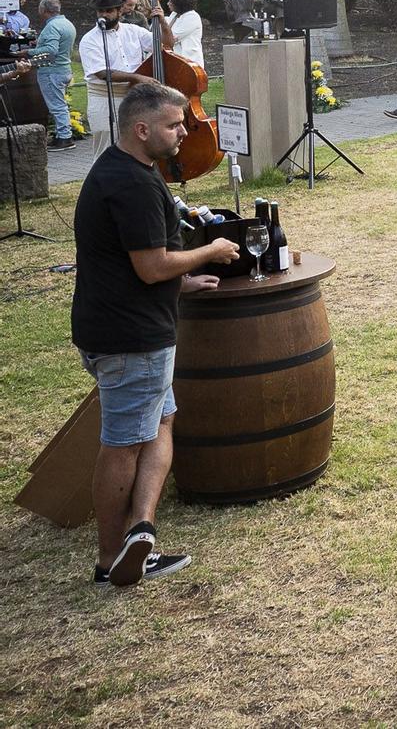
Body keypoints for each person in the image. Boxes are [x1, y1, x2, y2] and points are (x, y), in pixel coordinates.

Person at [71, 80, 240, 586]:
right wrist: (210, 251)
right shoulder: (134, 184)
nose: (185, 132)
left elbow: (129, 261)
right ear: (141, 130)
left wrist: (181, 282)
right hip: (132, 339)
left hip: (120, 326)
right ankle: (108, 560)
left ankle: (140, 534)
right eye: (174, 124)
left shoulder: (124, 169)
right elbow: (150, 265)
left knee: (161, 422)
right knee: (124, 443)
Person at [77, 0, 154, 156]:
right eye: (100, 11)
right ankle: (101, 182)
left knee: (137, 148)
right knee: (105, 151)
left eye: (109, 11)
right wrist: (137, 77)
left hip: (134, 98)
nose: (103, 15)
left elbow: (165, 45)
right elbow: (102, 73)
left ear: (120, 11)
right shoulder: (90, 39)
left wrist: (161, 20)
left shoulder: (134, 31)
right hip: (103, 98)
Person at [26, 0, 78, 149]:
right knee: (60, 105)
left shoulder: (52, 26)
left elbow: (50, 51)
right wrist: (39, 43)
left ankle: (64, 138)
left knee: (57, 106)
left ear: (43, 10)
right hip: (64, 68)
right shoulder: (67, 23)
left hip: (51, 71)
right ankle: (62, 135)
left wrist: (29, 52)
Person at [161, 0, 203, 70]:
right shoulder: (174, 15)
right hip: (175, 58)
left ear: (178, 3)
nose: (168, 4)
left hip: (189, 60)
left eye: (170, 1)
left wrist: (162, 21)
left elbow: (173, 36)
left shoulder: (192, 16)